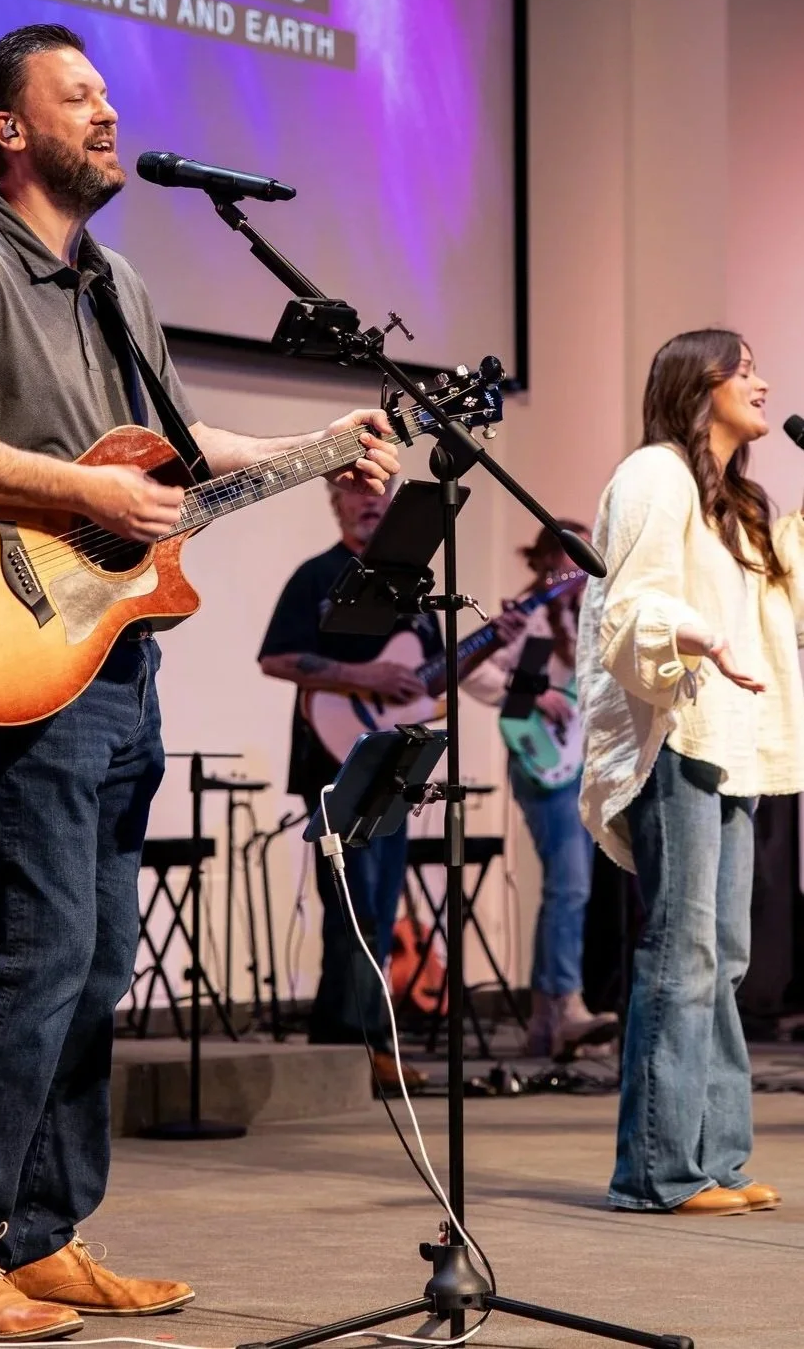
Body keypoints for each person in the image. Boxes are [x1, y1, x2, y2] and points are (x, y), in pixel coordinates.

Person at [0, 22, 400, 1341]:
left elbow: (176, 447)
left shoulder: (118, 285)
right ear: (10, 129)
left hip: (113, 659)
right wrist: (78, 489)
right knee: (41, 955)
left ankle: (41, 1236)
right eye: (78, 96)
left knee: (98, 960)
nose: (107, 112)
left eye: (108, 93)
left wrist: (319, 443)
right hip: (22, 652)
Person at [578, 328, 804, 1216]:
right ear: (693, 383)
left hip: (731, 740)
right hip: (676, 733)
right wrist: (695, 634)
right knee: (683, 950)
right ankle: (656, 1171)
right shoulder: (654, 474)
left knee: (727, 955)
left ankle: (713, 1158)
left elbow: (783, 602)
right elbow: (628, 603)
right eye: (740, 367)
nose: (758, 381)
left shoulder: (738, 502)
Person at [258, 479, 522, 1088]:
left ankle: (356, 1044)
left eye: (379, 488)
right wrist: (361, 674)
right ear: (334, 500)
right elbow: (276, 658)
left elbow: (424, 682)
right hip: (331, 758)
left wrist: (487, 645)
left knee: (376, 904)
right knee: (355, 906)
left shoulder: (411, 587)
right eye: (353, 489)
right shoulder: (316, 575)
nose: (369, 499)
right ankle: (353, 1046)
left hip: (395, 762)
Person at [460, 523, 620, 1060]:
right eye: (569, 556)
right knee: (570, 885)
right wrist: (537, 690)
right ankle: (561, 1006)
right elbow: (473, 675)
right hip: (542, 761)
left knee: (573, 887)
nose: (578, 568)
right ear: (548, 559)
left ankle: (549, 1020)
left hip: (584, 760)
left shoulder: (590, 615)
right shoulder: (523, 614)